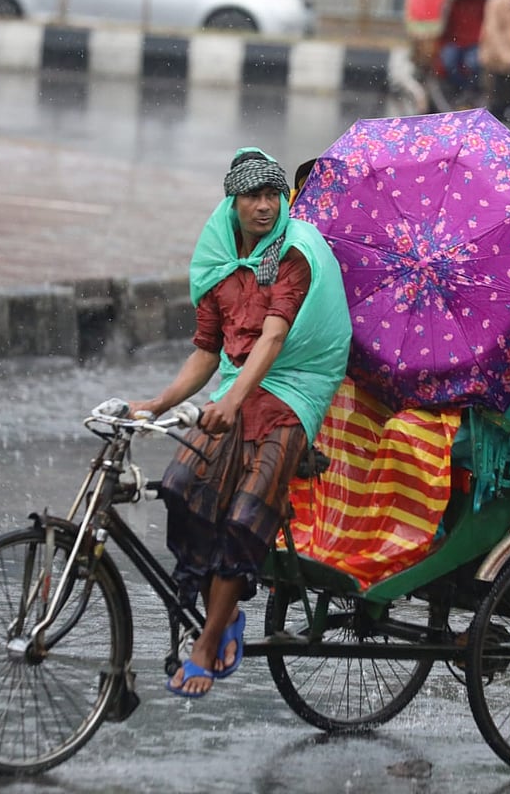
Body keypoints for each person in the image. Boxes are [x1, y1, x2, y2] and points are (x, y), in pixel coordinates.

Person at [127, 147, 351, 698]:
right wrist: (156, 405)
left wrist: (230, 402)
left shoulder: (295, 254)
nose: (264, 206)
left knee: (248, 514)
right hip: (237, 386)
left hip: (293, 388)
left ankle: (205, 644)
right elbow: (206, 352)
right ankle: (222, 618)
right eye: (252, 195)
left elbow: (273, 336)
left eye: (273, 194)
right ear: (233, 200)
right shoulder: (220, 260)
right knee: (184, 488)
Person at [436, 0, 490, 107]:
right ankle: (464, 89)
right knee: (448, 62)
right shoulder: (455, 3)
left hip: (475, 42)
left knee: (473, 63)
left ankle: (471, 90)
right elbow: (447, 26)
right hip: (456, 41)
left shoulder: (483, 2)